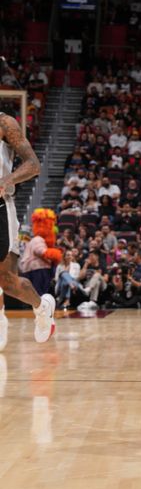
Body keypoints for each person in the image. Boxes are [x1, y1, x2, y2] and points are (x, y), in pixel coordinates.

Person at [0, 112, 56, 347]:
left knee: (7, 281)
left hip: (2, 206)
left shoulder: (5, 123)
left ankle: (42, 307)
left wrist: (6, 181)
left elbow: (33, 165)